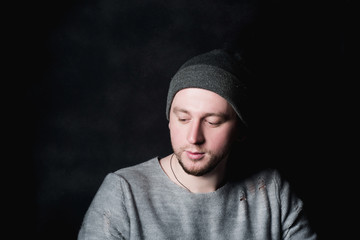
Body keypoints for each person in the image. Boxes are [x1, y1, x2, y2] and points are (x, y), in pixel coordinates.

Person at [78, 49, 317, 240]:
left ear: (240, 130)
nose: (194, 137)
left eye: (213, 122)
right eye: (183, 118)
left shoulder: (272, 192)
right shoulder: (123, 193)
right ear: (169, 119)